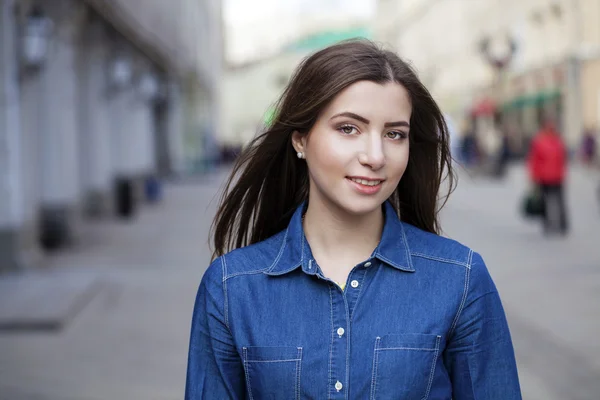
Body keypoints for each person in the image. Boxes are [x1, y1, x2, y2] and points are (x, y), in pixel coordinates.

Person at [185, 40, 521, 399]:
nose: (375, 157)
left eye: (394, 134)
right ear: (300, 139)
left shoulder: (461, 278)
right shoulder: (231, 288)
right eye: (348, 128)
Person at [527, 120, 569, 235]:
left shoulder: (548, 141)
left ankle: (556, 224)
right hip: (550, 176)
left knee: (553, 201)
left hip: (550, 176)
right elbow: (535, 160)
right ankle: (557, 224)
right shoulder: (555, 141)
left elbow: (562, 160)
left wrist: (533, 176)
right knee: (553, 201)